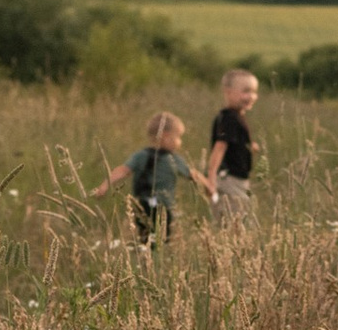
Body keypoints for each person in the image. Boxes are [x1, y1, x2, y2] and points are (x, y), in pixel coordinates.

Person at [93, 110, 190, 241]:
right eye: (178, 137)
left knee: (149, 238)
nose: (179, 142)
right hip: (160, 207)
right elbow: (194, 175)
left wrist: (105, 185)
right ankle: (151, 257)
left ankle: (148, 256)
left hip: (144, 205)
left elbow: (123, 170)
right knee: (159, 238)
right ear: (166, 136)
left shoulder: (142, 155)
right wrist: (209, 186)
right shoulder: (170, 159)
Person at [202, 70, 260, 213]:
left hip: (236, 179)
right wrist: (211, 176)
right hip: (230, 179)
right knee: (237, 218)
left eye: (254, 92)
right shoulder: (230, 118)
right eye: (246, 91)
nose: (251, 96)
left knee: (237, 216)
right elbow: (220, 146)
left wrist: (248, 146)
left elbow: (233, 142)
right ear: (228, 92)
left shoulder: (234, 117)